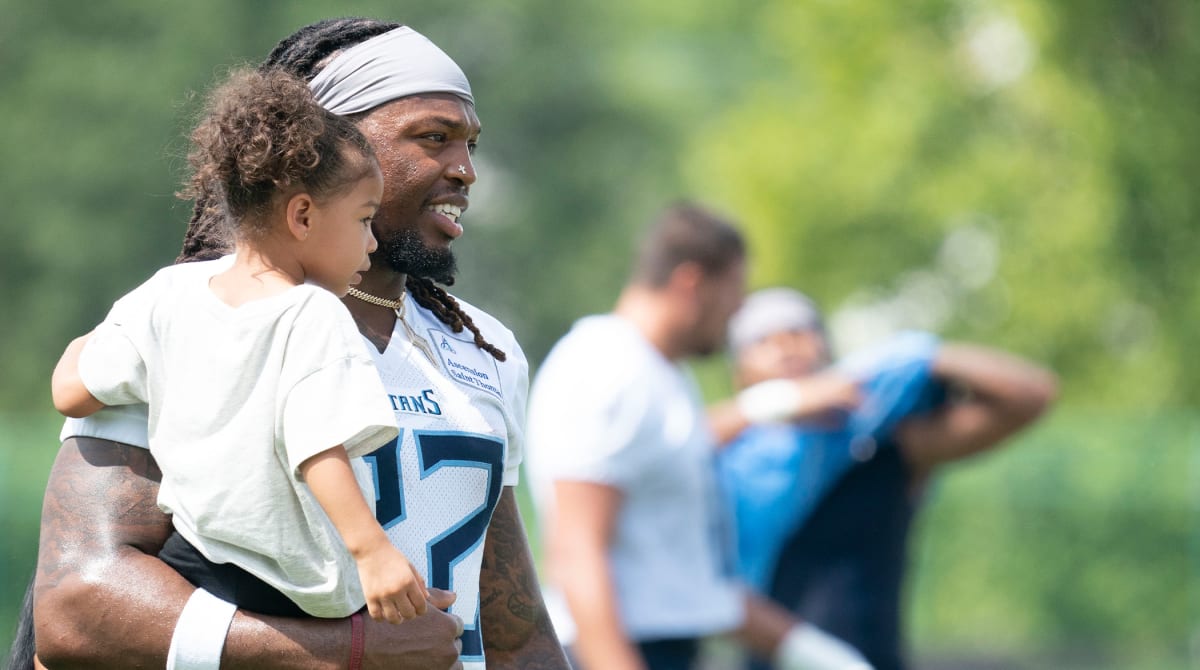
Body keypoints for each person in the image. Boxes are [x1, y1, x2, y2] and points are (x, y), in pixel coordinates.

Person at [30, 18, 567, 670]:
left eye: (470, 144)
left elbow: (516, 636)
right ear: (322, 150)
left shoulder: (488, 353)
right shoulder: (197, 318)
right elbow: (78, 605)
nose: (466, 170)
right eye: (433, 138)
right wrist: (348, 651)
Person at [50, 66, 431, 624]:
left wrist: (86, 341)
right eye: (364, 219)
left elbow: (71, 392)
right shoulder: (311, 311)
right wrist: (372, 553)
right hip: (288, 587)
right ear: (302, 215)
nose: (372, 244)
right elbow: (317, 446)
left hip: (190, 569)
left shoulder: (168, 294)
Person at [524, 203, 873, 670]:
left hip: (660, 649)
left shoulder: (662, 372)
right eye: (735, 291)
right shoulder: (605, 367)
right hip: (611, 651)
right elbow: (575, 553)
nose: (738, 311)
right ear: (692, 283)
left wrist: (814, 654)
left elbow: (680, 575)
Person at [716, 287, 1058, 670]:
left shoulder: (881, 442)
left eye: (799, 331)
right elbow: (679, 442)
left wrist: (923, 357)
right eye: (763, 340)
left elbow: (1030, 395)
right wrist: (780, 403)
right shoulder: (726, 469)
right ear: (740, 375)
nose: (786, 346)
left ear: (827, 352)